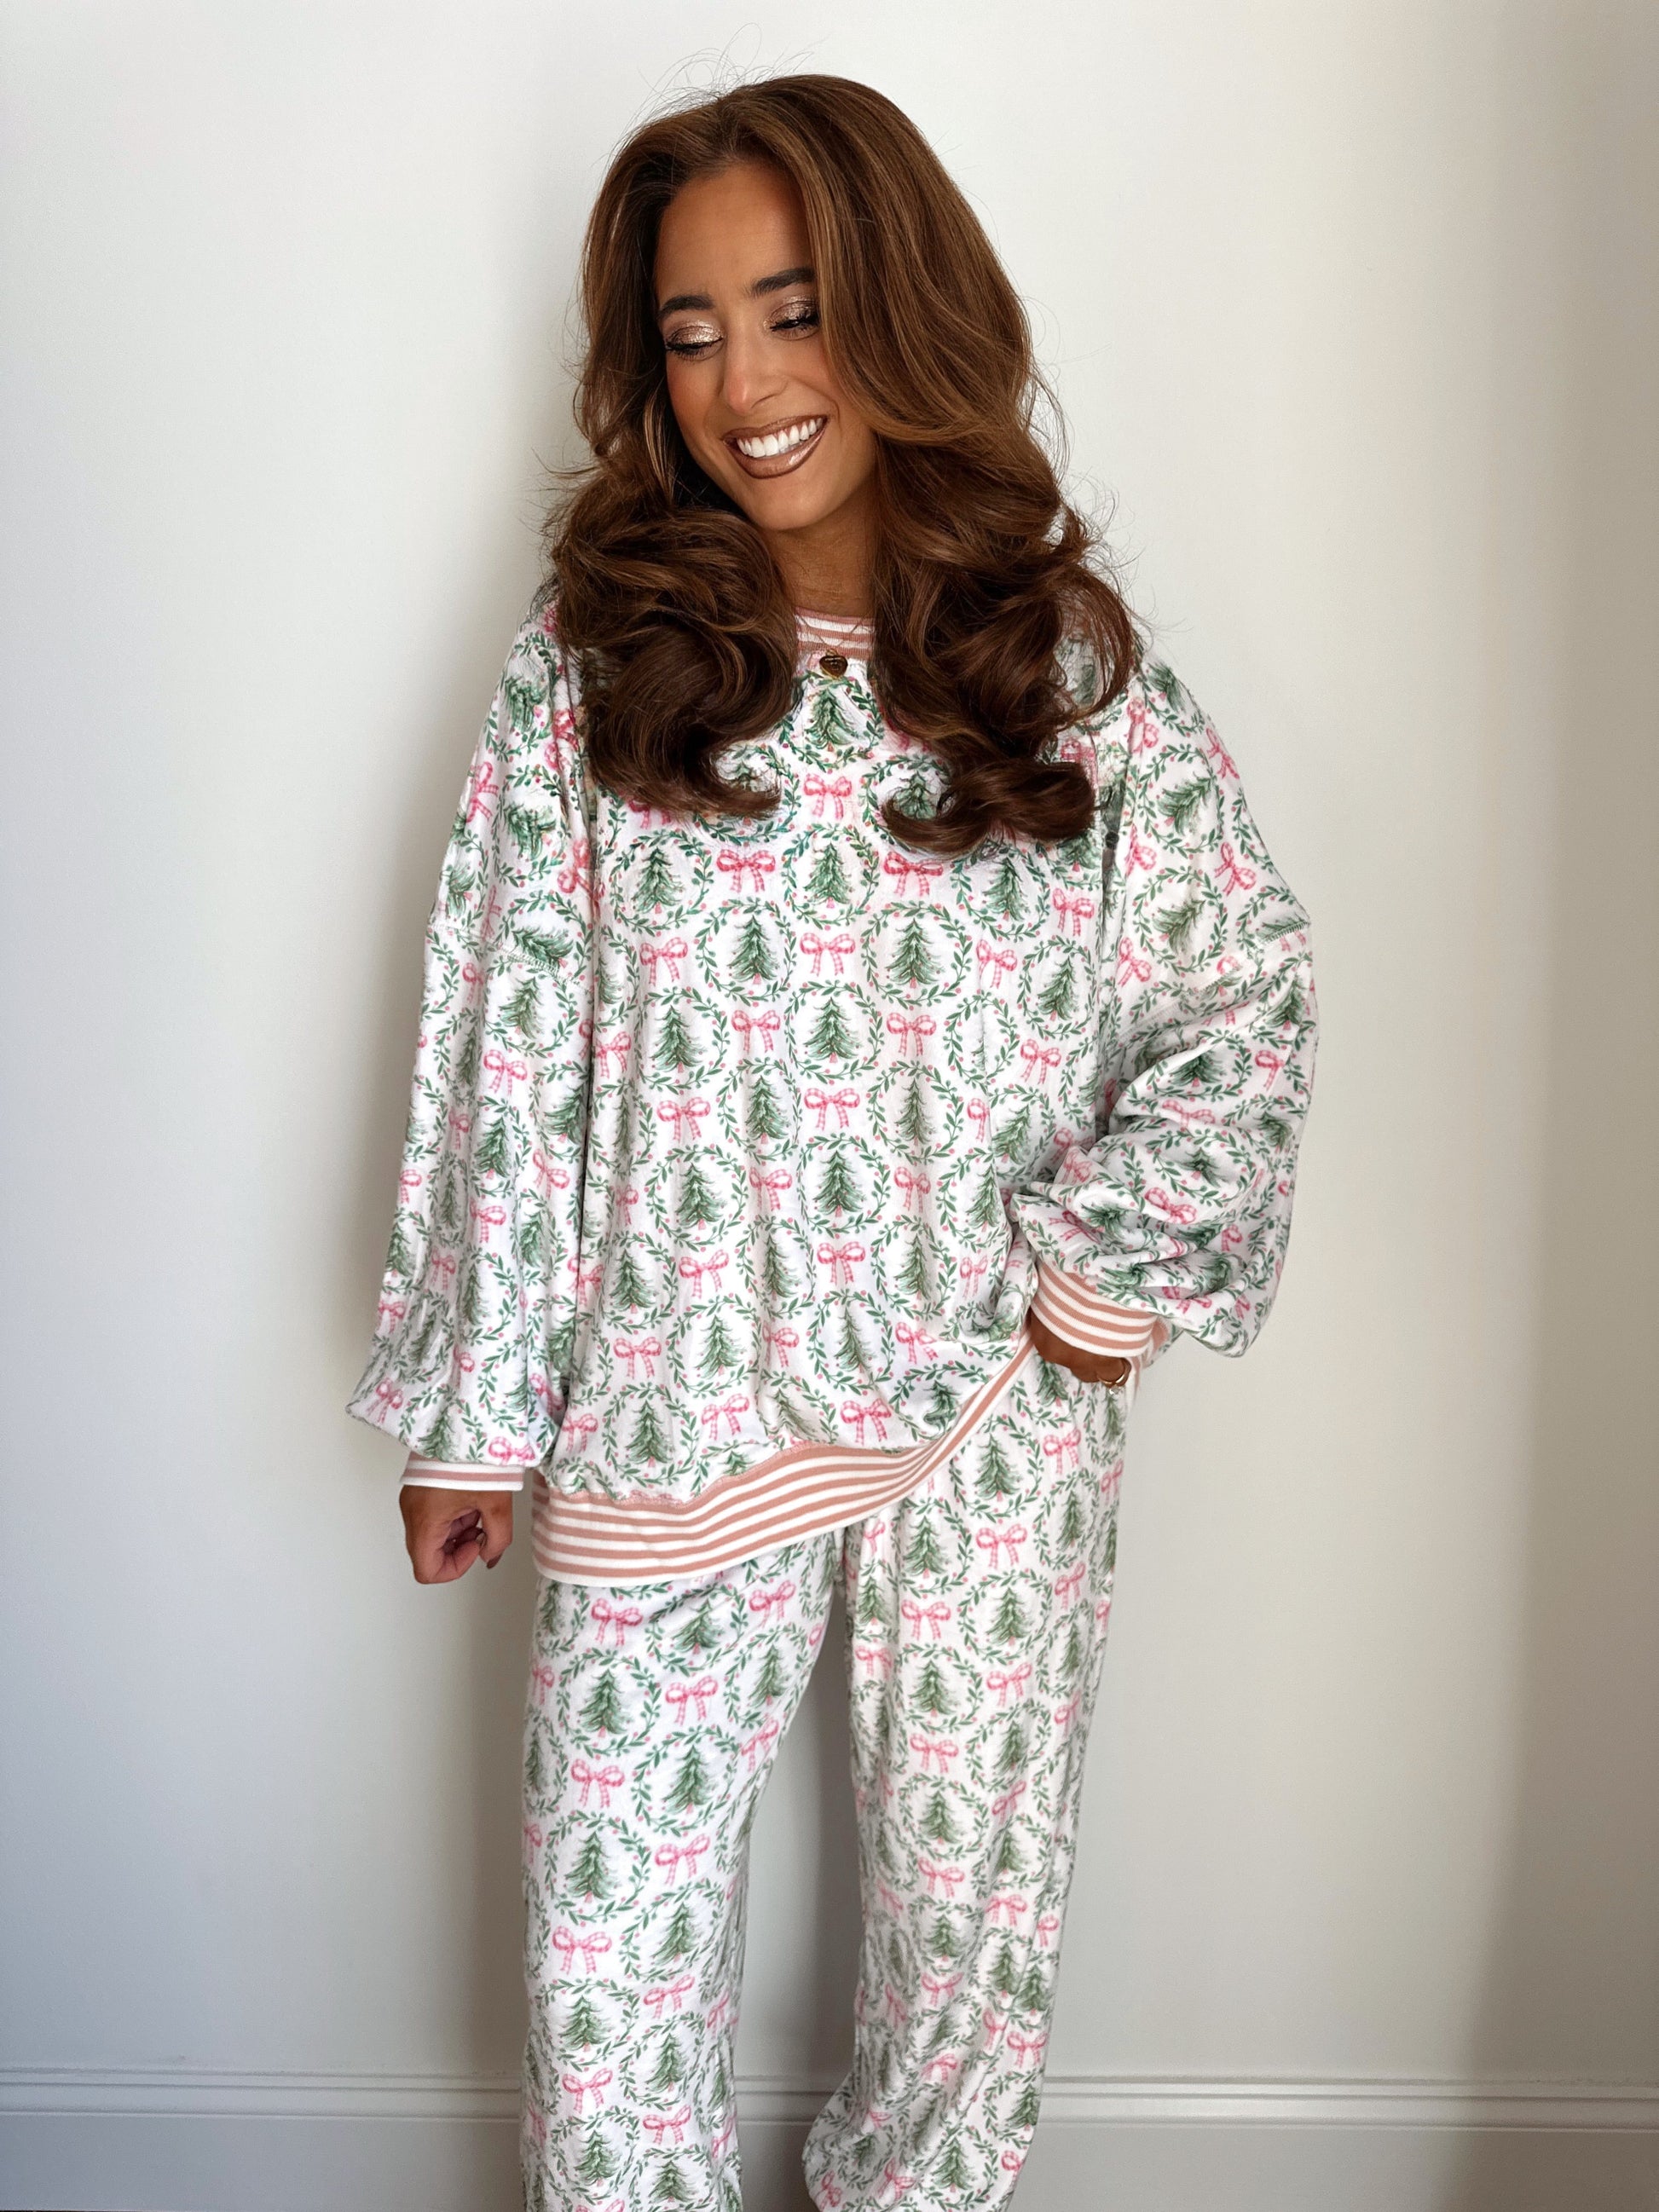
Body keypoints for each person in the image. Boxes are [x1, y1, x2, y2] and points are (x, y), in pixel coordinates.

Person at [348, 73, 1317, 2212]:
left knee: (970, 1948)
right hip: (671, 1388)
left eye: (791, 310)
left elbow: (1244, 989)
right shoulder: (599, 668)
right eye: (689, 331)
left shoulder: (1064, 671)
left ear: (900, 307)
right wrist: (478, 1404)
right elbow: (514, 1038)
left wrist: (1095, 1291)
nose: (744, 383)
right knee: (607, 1958)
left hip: (991, 1399)